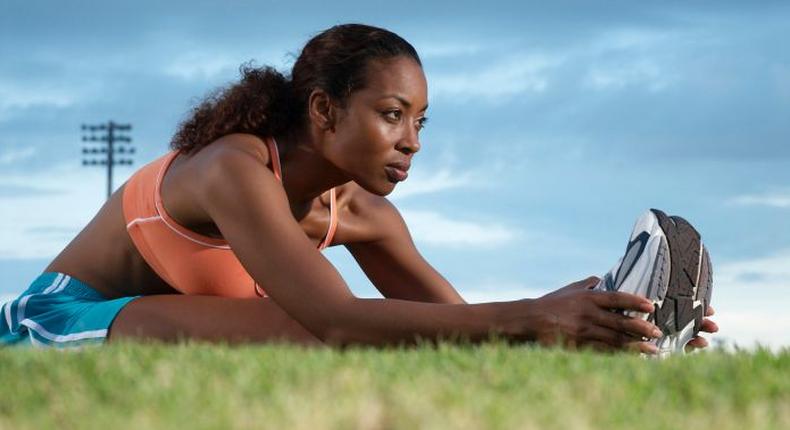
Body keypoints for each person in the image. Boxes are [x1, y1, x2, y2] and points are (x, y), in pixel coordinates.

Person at [1, 24, 716, 351]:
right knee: (307, 329)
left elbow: (463, 331)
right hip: (58, 319)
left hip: (167, 316)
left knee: (421, 339)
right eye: (392, 115)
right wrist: (535, 314)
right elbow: (337, 320)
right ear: (323, 110)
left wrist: (598, 316)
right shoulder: (231, 169)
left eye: (421, 122)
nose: (412, 141)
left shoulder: (366, 216)